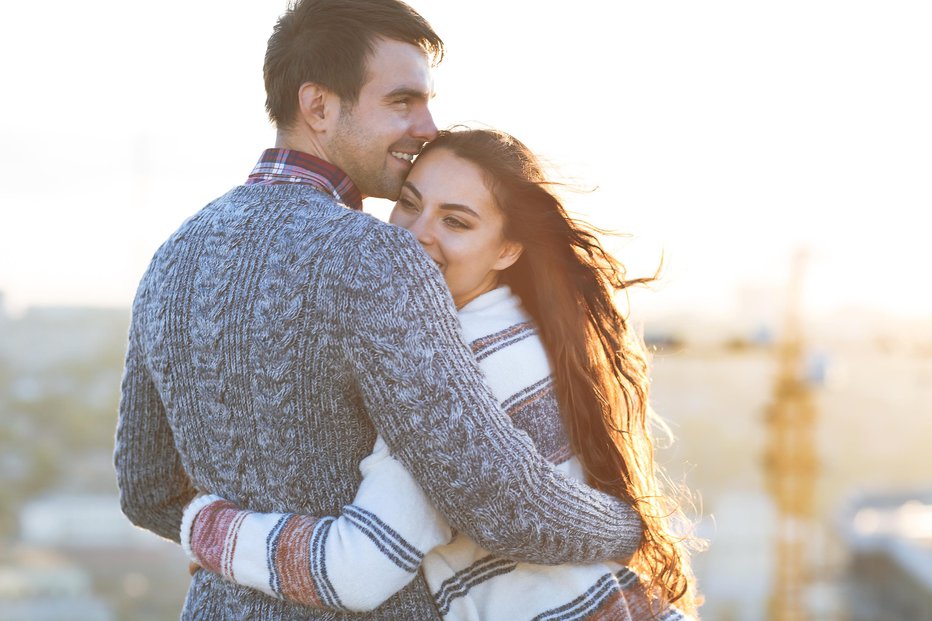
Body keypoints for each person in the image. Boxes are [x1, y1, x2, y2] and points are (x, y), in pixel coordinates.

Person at [113, 1, 643, 619]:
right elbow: (497, 500)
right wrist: (626, 528)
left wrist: (218, 532)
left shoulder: (172, 256)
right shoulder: (378, 256)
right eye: (402, 102)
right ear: (318, 106)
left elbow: (146, 491)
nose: (426, 126)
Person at [179, 128, 702, 620]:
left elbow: (359, 567)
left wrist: (207, 527)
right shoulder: (519, 326)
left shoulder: (463, 361)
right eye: (409, 203)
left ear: (507, 249)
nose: (416, 234)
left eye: (456, 221)